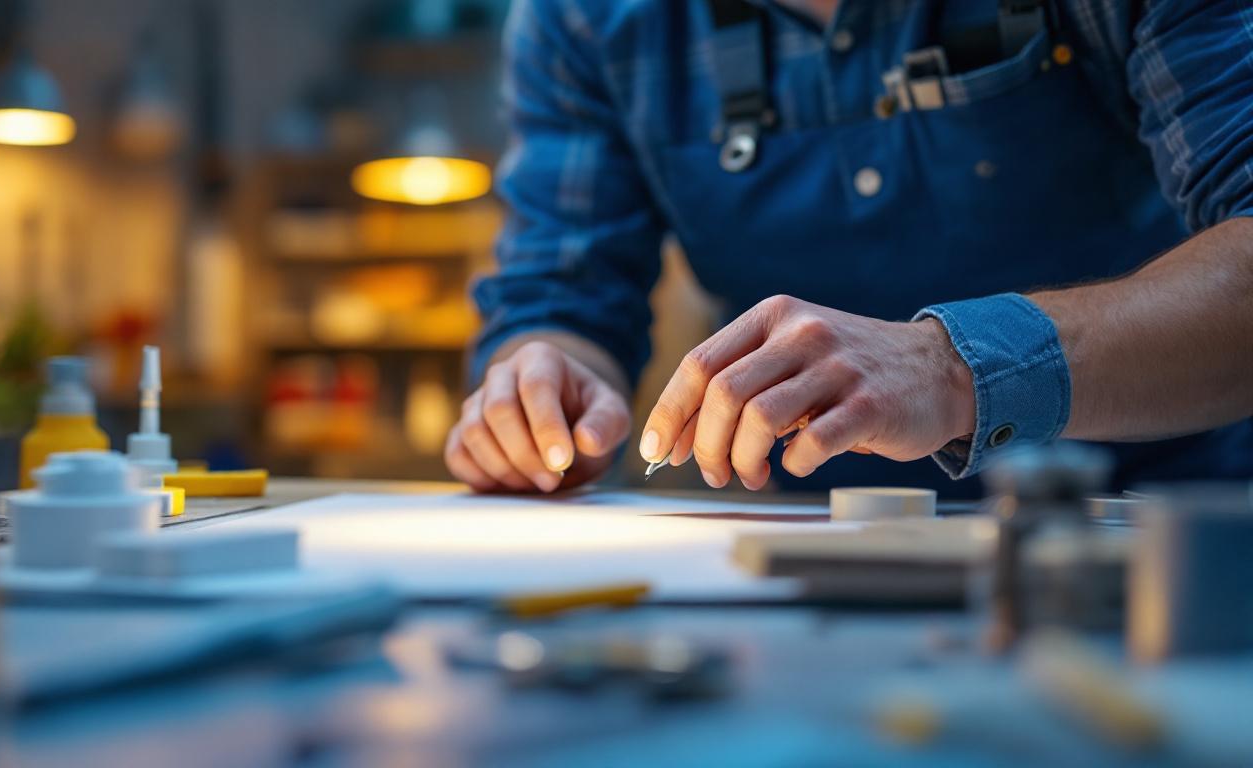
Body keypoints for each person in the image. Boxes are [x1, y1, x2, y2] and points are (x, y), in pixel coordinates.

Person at [444, 0, 1253, 498]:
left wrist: (952, 367)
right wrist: (548, 383)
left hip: (1164, 539)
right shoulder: (584, 18)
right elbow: (561, 295)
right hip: (806, 558)